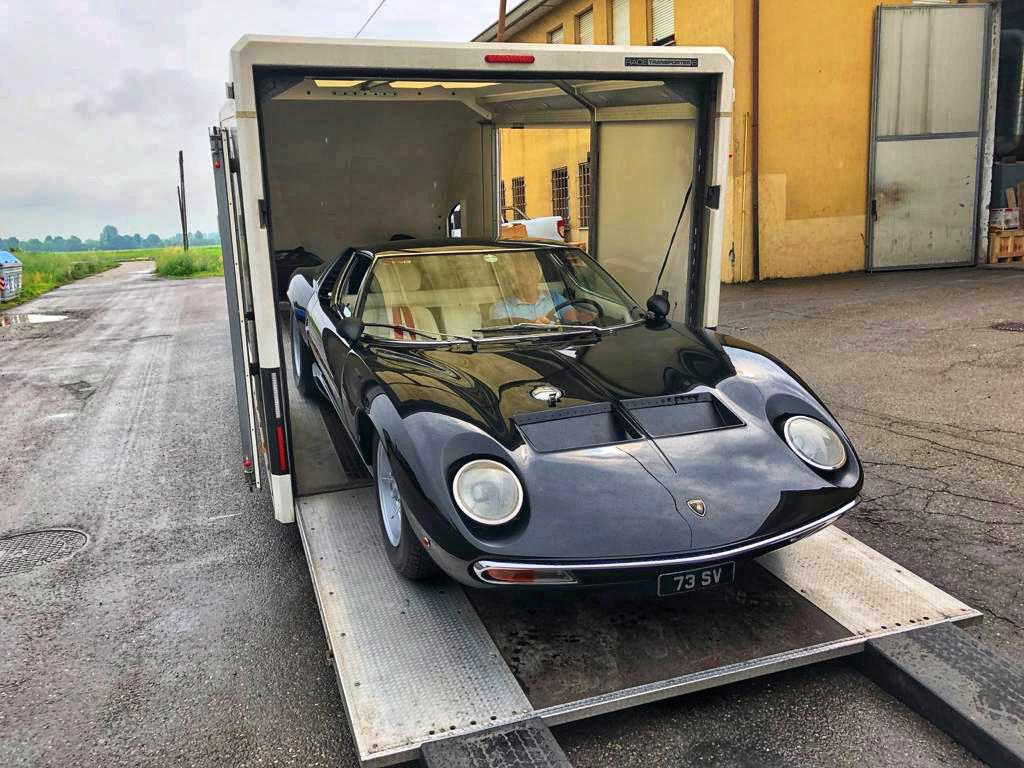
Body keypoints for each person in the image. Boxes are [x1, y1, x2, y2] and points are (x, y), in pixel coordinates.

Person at [490, 253, 565, 325]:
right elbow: (502, 335)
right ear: (512, 280)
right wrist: (530, 327)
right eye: (520, 274)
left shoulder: (554, 298)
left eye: (530, 271)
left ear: (538, 274)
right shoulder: (501, 308)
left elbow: (574, 319)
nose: (528, 277)